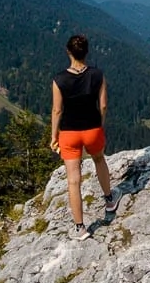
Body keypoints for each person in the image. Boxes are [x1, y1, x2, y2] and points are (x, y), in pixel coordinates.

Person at [50, 34, 118, 239]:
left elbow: (57, 111)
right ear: (87, 51)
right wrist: (100, 125)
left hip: (69, 133)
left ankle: (80, 228)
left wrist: (54, 135)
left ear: (68, 51)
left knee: (73, 180)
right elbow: (104, 104)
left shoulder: (59, 80)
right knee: (99, 160)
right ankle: (109, 200)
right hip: (92, 129)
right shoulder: (98, 75)